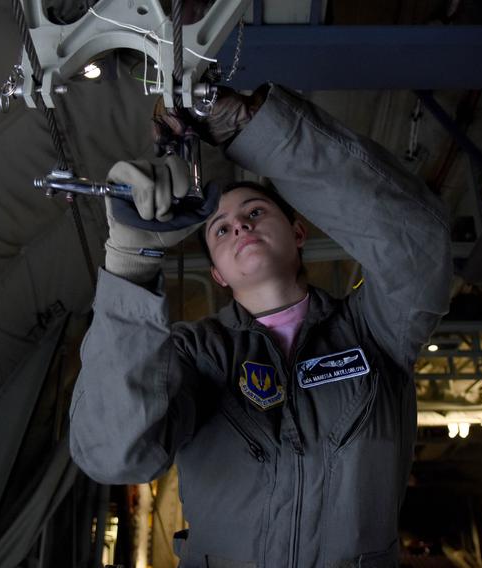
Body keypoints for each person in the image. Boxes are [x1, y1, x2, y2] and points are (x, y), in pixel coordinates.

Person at [69, 83, 452, 567]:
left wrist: (250, 126)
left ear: (297, 233)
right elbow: (114, 456)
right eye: (221, 229)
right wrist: (130, 262)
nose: (241, 227)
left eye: (255, 213)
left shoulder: (375, 330)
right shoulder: (194, 355)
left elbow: (416, 245)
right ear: (217, 274)